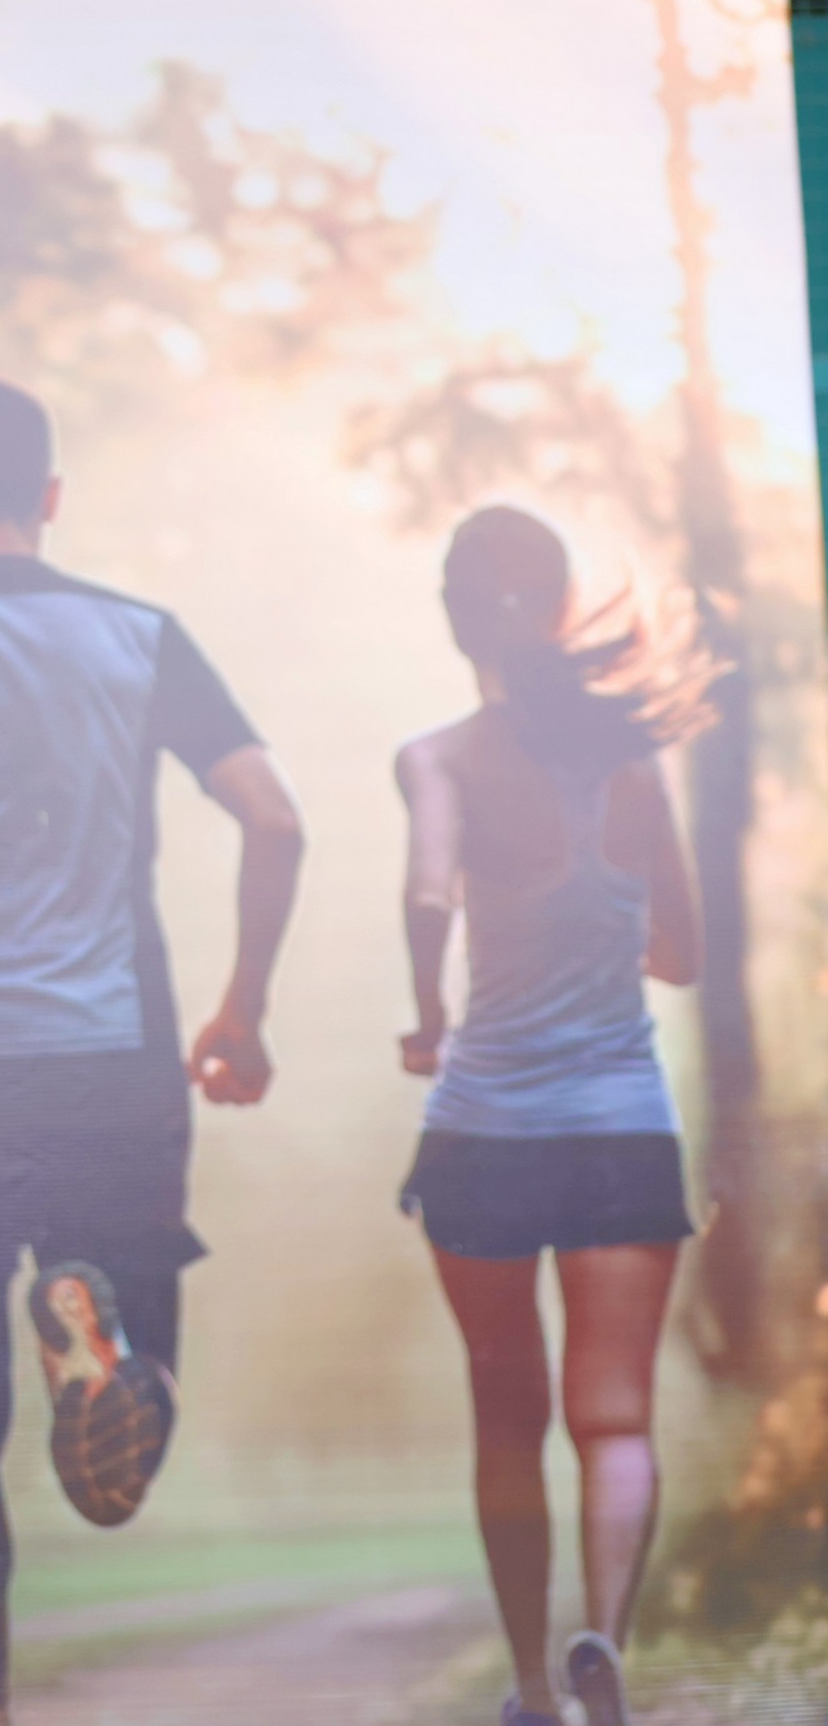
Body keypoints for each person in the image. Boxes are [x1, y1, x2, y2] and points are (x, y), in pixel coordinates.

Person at [0, 373, 303, 1726]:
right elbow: (275, 818)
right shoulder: (139, 636)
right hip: (111, 1065)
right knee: (129, 1440)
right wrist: (242, 1010)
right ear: (50, 495)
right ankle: (101, 1342)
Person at [396, 506, 710, 1726]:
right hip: (621, 1128)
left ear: (454, 618)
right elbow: (680, 953)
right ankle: (605, 1646)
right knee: (614, 1418)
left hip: (483, 1132)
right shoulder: (635, 759)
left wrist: (430, 1011)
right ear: (565, 607)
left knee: (507, 1418)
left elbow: (429, 889)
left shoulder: (439, 756)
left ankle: (534, 1686)